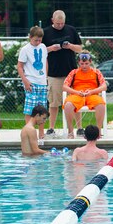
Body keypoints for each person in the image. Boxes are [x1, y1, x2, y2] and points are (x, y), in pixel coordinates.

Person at [43, 10, 82, 138]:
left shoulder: (71, 30)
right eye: (58, 23)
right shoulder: (46, 32)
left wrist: (70, 46)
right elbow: (40, 50)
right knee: (54, 102)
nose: (60, 26)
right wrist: (51, 48)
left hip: (71, 72)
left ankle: (79, 127)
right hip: (54, 73)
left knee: (75, 101)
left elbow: (80, 49)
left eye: (62, 23)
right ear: (52, 20)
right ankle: (51, 127)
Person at [63, 51, 107, 139]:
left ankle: (98, 132)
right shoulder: (74, 72)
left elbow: (104, 86)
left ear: (90, 62)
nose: (84, 66)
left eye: (86, 63)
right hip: (77, 94)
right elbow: (64, 86)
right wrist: (76, 92)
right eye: (82, 63)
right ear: (78, 62)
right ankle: (70, 131)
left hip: (92, 94)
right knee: (67, 105)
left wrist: (92, 91)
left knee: (101, 105)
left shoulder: (96, 72)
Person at [17, 26, 48, 140]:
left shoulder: (43, 47)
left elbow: (45, 62)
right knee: (30, 109)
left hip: (42, 82)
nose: (38, 42)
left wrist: (46, 77)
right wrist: (25, 81)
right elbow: (19, 66)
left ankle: (41, 133)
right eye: (36, 40)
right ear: (30, 37)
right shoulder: (25, 49)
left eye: (40, 40)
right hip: (31, 82)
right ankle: (29, 132)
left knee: (42, 109)